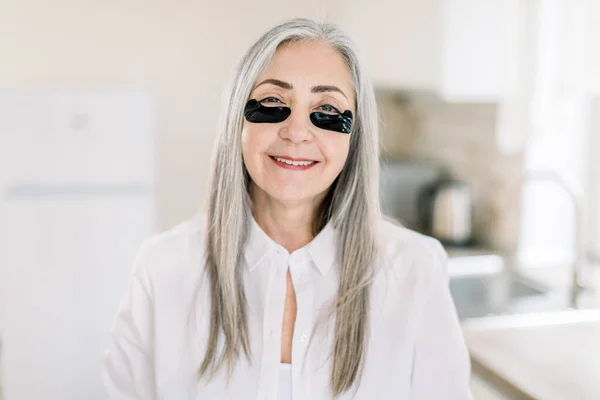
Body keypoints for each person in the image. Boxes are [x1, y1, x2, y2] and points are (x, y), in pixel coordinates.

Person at [102, 18, 473, 400]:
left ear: (355, 136)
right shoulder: (163, 268)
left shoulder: (415, 270)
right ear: (237, 120)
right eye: (273, 103)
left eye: (327, 109)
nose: (297, 131)